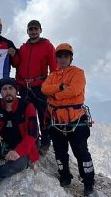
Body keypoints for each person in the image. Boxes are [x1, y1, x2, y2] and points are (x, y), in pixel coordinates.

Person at [41, 43, 95, 196]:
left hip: (76, 120)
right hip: (57, 120)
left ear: (71, 57)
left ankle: (88, 183)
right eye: (60, 56)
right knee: (60, 151)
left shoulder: (78, 73)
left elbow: (75, 90)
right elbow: (44, 89)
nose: (63, 59)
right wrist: (60, 87)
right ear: (56, 58)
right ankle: (65, 176)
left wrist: (55, 95)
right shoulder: (53, 75)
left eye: (66, 56)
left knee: (81, 152)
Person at [12, 20, 57, 154]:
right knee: (27, 115)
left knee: (43, 115)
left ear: (40, 30)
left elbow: (54, 67)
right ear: (27, 31)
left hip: (40, 86)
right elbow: (16, 64)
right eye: (31, 29)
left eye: (35, 29)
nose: (33, 31)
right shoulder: (23, 48)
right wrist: (13, 54)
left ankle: (45, 142)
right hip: (24, 87)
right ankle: (32, 140)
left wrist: (50, 86)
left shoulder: (47, 46)